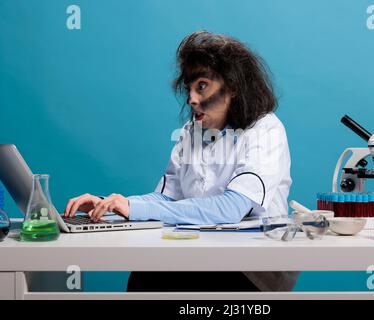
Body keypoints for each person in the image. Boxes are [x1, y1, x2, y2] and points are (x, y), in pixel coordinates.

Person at [64, 30, 298, 292]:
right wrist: (112, 205)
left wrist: (135, 209)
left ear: (232, 87)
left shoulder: (265, 129)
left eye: (202, 86)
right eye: (189, 88)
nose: (192, 99)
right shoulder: (192, 131)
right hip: (200, 254)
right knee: (144, 277)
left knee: (158, 282)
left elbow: (232, 208)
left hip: (249, 268)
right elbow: (167, 198)